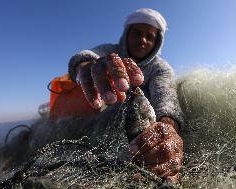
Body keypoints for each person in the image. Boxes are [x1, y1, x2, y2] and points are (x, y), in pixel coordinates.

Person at [68, 8, 184, 182]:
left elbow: (166, 99)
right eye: (137, 33)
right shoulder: (109, 51)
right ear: (126, 34)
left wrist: (167, 134)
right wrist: (85, 67)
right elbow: (85, 57)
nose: (143, 40)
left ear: (157, 42)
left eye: (150, 36)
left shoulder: (161, 68)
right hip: (101, 121)